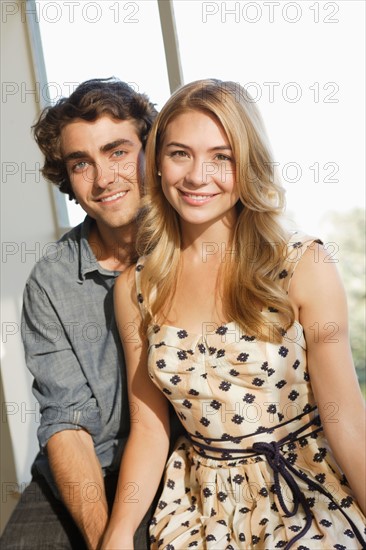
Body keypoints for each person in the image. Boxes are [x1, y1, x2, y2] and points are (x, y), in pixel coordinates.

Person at [102, 79, 366, 550]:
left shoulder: (303, 264)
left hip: (305, 485)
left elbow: (345, 416)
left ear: (248, 166)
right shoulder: (134, 288)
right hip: (199, 504)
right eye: (180, 153)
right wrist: (118, 533)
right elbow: (148, 427)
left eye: (221, 157)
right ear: (157, 165)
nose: (198, 175)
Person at [1, 77, 159, 550]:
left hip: (171, 461)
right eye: (81, 163)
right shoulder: (49, 281)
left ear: (151, 152)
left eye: (117, 152)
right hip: (85, 466)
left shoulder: (193, 251)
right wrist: (104, 540)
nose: (104, 178)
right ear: (65, 177)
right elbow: (64, 422)